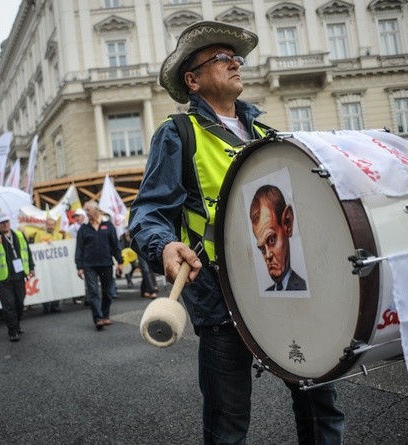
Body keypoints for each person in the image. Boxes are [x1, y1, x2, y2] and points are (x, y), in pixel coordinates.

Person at [128, 21, 344, 444]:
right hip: (219, 297)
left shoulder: (267, 136)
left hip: (286, 294)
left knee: (321, 410)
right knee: (228, 426)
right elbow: (148, 211)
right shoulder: (178, 134)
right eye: (222, 59)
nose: (235, 64)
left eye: (236, 58)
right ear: (193, 80)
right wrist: (165, 243)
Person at [0, 212, 35, 342]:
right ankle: (12, 330)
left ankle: (16, 324)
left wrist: (31, 267)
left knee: (19, 302)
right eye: (2, 222)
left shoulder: (18, 235)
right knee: (8, 305)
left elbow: (27, 251)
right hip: (4, 278)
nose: (5, 224)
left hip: (19, 276)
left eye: (6, 221)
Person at [75, 200, 123, 330]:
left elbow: (115, 245)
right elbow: (79, 249)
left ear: (96, 210)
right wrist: (79, 267)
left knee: (107, 292)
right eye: (85, 210)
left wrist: (120, 261)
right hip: (89, 265)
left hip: (106, 263)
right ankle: (98, 318)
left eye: (88, 210)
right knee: (93, 292)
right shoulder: (83, 229)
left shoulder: (108, 225)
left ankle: (105, 315)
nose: (86, 213)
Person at [250, 185, 307, 291]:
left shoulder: (304, 287)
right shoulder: (268, 293)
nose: (268, 256)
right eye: (262, 249)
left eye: (271, 240)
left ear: (287, 223)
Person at [35, 215, 68, 314]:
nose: (50, 226)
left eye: (52, 225)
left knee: (56, 284)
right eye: (48, 224)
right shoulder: (39, 235)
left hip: (55, 266)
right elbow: (36, 248)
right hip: (44, 265)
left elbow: (61, 248)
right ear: (45, 225)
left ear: (54, 226)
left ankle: (55, 305)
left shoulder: (58, 235)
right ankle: (46, 306)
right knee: (45, 285)